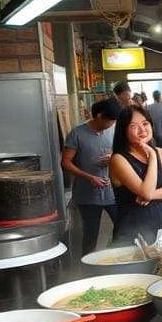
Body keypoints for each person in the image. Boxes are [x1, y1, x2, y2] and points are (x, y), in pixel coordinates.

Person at [109, 106, 162, 245]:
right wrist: (152, 156)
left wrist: (151, 195)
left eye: (145, 124)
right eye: (134, 126)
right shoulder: (118, 159)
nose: (142, 130)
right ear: (123, 131)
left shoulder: (160, 152)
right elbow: (145, 192)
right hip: (133, 232)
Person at [61, 98, 121, 257]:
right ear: (99, 116)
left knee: (122, 226)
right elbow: (65, 162)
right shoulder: (77, 133)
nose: (112, 123)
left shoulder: (116, 130)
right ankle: (87, 268)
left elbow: (127, 154)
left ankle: (116, 259)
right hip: (87, 194)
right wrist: (89, 177)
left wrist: (114, 157)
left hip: (114, 192)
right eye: (110, 120)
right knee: (91, 232)